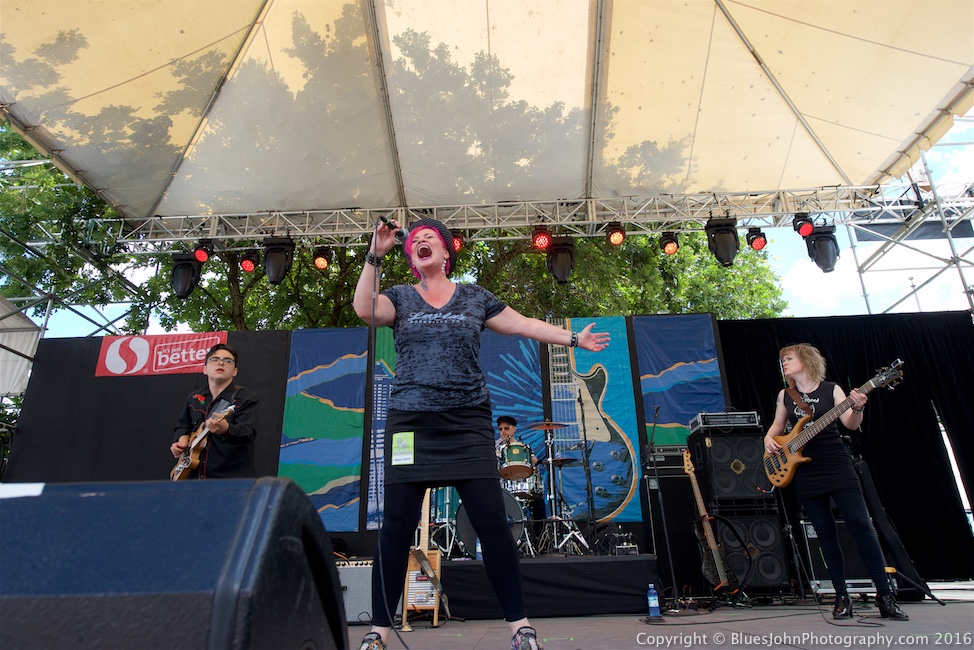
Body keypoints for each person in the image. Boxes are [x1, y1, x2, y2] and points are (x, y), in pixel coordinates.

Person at [353, 217, 610, 650]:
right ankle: (378, 631)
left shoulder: (474, 297)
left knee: (492, 523)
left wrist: (572, 339)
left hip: (466, 419)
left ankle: (520, 627)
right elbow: (365, 309)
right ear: (411, 257)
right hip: (410, 423)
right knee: (396, 525)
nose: (422, 242)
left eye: (430, 238)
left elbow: (525, 324)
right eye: (414, 241)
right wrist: (374, 253)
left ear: (447, 252)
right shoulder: (397, 296)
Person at [763, 343, 908, 621]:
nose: (784, 363)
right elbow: (777, 426)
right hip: (804, 471)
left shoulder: (833, 390)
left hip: (836, 463)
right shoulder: (786, 395)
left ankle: (885, 596)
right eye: (782, 360)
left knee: (862, 527)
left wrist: (858, 408)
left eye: (789, 358)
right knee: (825, 533)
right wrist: (769, 438)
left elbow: (851, 424)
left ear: (805, 360)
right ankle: (842, 597)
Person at [169, 343, 259, 479]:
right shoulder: (194, 398)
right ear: (205, 369)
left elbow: (248, 433)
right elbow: (182, 425)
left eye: (228, 361)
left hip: (229, 479)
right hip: (193, 478)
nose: (221, 363)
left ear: (235, 371)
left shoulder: (246, 398)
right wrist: (181, 443)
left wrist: (226, 429)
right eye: (214, 360)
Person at [496, 415, 547, 544]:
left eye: (506, 428)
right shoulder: (494, 447)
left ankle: (539, 542)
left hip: (520, 487)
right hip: (501, 489)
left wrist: (534, 466)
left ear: (514, 430)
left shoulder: (523, 448)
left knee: (538, 502)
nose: (503, 431)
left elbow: (534, 466)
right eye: (500, 429)